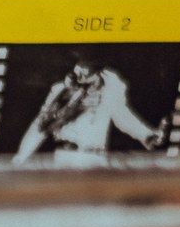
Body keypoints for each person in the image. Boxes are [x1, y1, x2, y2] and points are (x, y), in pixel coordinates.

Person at [14, 58, 166, 166]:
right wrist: (21, 157)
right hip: (68, 157)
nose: (81, 74)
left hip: (96, 159)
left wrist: (147, 135)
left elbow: (123, 117)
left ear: (98, 71)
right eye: (79, 68)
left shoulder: (110, 91)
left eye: (87, 70)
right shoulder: (62, 91)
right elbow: (41, 126)